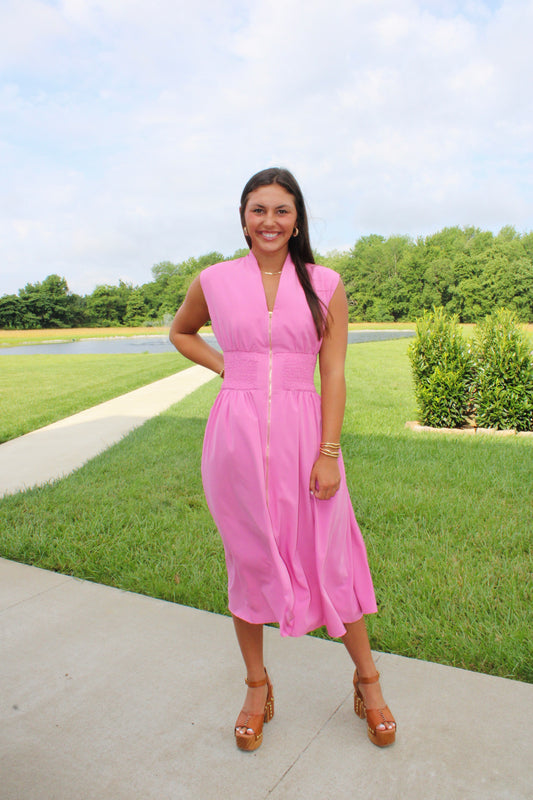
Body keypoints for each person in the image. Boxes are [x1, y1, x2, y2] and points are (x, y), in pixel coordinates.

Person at [169, 167, 396, 751]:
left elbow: (335, 371)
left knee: (331, 557)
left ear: (297, 222)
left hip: (306, 438)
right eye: (258, 210)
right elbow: (182, 332)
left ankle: (367, 681)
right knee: (247, 559)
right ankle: (256, 685)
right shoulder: (214, 280)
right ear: (242, 218)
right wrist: (229, 368)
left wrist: (329, 452)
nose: (269, 221)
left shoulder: (325, 283)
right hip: (235, 441)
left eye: (282, 211)